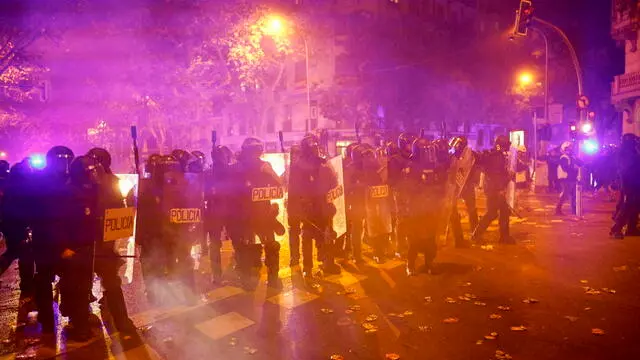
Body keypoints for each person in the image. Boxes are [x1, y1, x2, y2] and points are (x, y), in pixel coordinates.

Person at [86, 148, 138, 337]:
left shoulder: (114, 183)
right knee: (106, 283)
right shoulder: (84, 183)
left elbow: (123, 211)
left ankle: (119, 320)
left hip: (99, 243)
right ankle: (120, 321)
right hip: (94, 242)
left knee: (108, 283)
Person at [229, 137, 284, 289]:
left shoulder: (263, 166)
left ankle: (270, 278)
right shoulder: (236, 168)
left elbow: (278, 186)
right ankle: (251, 278)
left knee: (269, 246)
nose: (255, 155)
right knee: (247, 247)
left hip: (262, 215)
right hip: (246, 216)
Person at [30, 146, 74, 334]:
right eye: (60, 160)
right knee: (45, 279)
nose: (63, 164)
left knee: (69, 277)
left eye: (67, 160)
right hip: (47, 239)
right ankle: (48, 319)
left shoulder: (72, 179)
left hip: (63, 239)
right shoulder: (41, 182)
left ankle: (68, 313)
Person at [288, 134, 340, 277]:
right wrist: (298, 207)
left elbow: (333, 183)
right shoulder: (299, 166)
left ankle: (326, 263)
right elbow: (294, 189)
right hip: (308, 208)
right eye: (313, 147)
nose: (316, 149)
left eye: (316, 147)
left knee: (326, 235)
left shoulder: (323, 164)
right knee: (308, 237)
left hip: (323, 206)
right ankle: (308, 267)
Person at [401, 138, 446, 275]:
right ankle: (410, 264)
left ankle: (429, 262)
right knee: (414, 239)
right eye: (425, 151)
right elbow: (407, 188)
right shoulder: (411, 166)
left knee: (430, 239)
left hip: (431, 208)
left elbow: (442, 185)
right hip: (416, 209)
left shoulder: (435, 166)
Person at [0, 160, 35, 294]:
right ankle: (27, 286)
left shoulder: (9, 185)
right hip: (19, 224)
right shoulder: (24, 187)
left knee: (17, 252)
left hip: (10, 224)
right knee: (24, 254)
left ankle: (27, 285)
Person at [471, 136, 514, 245]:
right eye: (506, 145)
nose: (508, 148)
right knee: (493, 213)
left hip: (493, 189)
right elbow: (496, 175)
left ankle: (504, 237)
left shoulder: (496, 155)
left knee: (501, 212)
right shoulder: (496, 157)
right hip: (494, 190)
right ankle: (477, 235)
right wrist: (500, 189)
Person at [206, 145, 234, 283]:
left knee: (215, 244)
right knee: (237, 240)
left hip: (214, 212)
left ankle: (216, 276)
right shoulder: (231, 171)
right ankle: (239, 269)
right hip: (229, 211)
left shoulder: (208, 172)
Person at [389, 133, 417, 259]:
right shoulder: (395, 159)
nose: (411, 146)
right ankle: (399, 248)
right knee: (401, 221)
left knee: (412, 221)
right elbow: (393, 180)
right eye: (410, 144)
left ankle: (409, 245)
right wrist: (404, 174)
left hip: (412, 193)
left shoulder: (413, 158)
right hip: (400, 194)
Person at [448, 136, 479, 248]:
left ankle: (476, 233)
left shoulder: (470, 155)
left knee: (471, 210)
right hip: (454, 187)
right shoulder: (452, 155)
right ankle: (458, 238)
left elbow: (475, 166)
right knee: (452, 212)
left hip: (467, 185)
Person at [610, 134, 640, 238]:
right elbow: (630, 167)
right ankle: (616, 228)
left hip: (633, 182)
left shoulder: (628, 152)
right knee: (629, 205)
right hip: (631, 183)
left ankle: (631, 228)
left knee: (635, 206)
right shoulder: (626, 153)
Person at [555, 141, 581, 216]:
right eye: (568, 148)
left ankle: (574, 210)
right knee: (565, 195)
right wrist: (574, 168)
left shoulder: (572, 156)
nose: (570, 150)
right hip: (566, 179)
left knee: (573, 195)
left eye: (571, 148)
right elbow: (565, 168)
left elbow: (580, 163)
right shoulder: (564, 157)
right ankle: (558, 209)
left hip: (572, 178)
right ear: (564, 149)